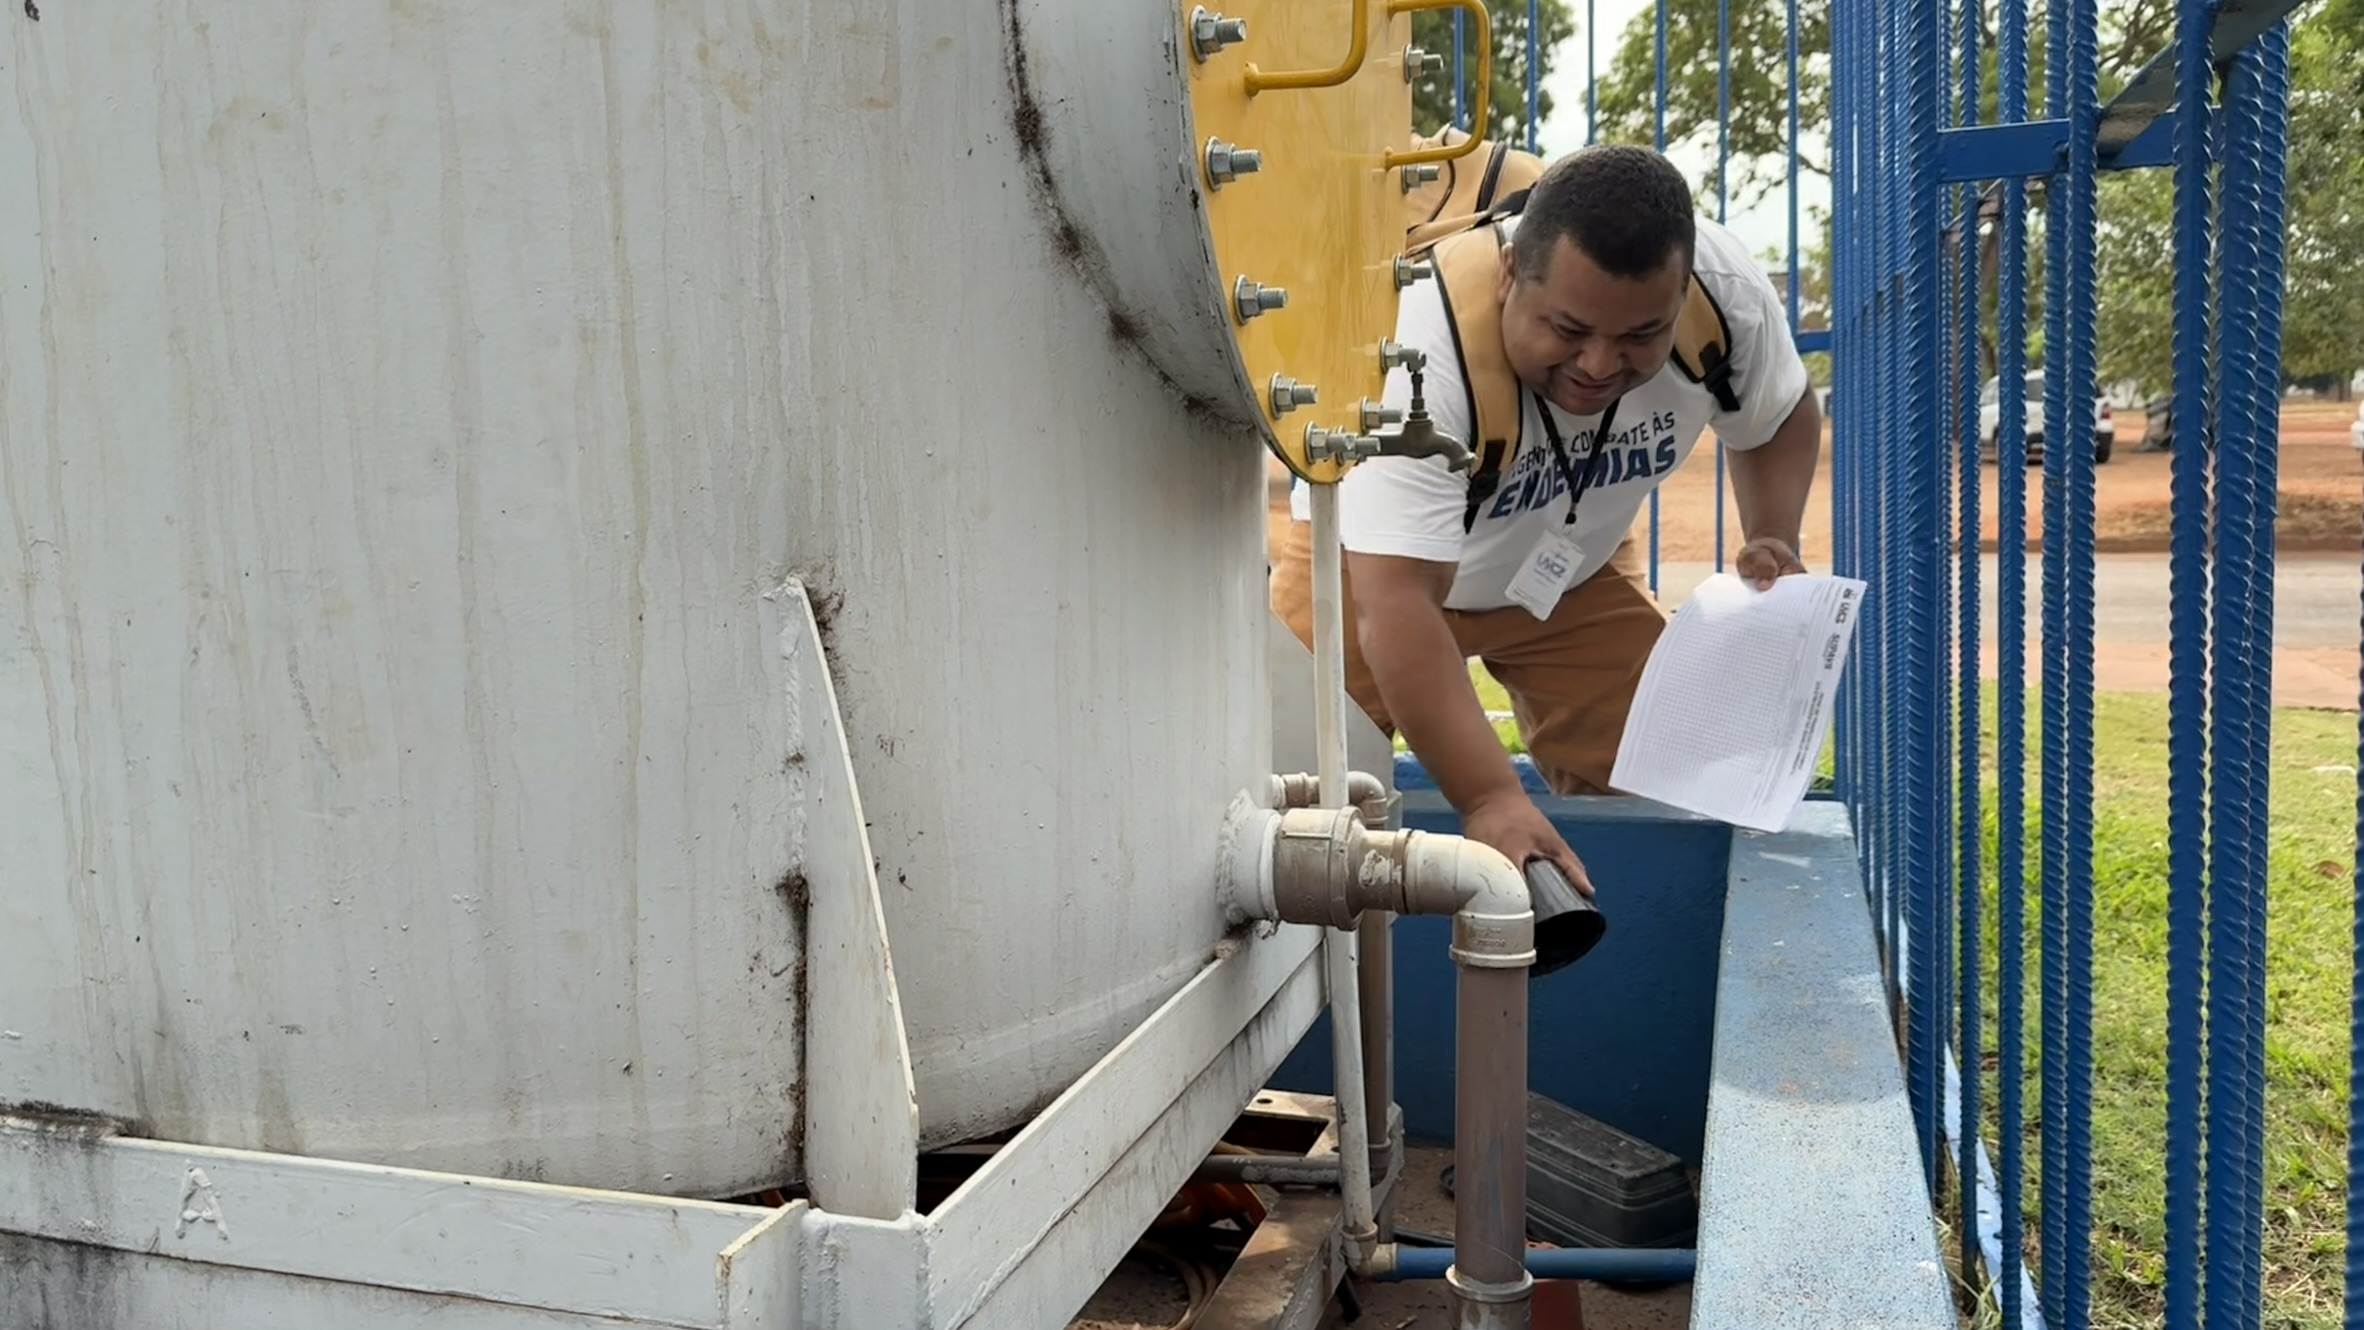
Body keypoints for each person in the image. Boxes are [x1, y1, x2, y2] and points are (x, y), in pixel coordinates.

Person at [1270, 143, 1821, 894]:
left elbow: (1777, 415)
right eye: (1568, 329)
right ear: (1509, 275)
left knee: (1671, 791)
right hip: (1365, 572)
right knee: (1286, 803)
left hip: (1568, 574)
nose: (1599, 364)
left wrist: (1772, 533)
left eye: (1640, 337)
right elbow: (1395, 603)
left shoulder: (1721, 295)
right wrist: (1490, 798)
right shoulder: (1417, 346)